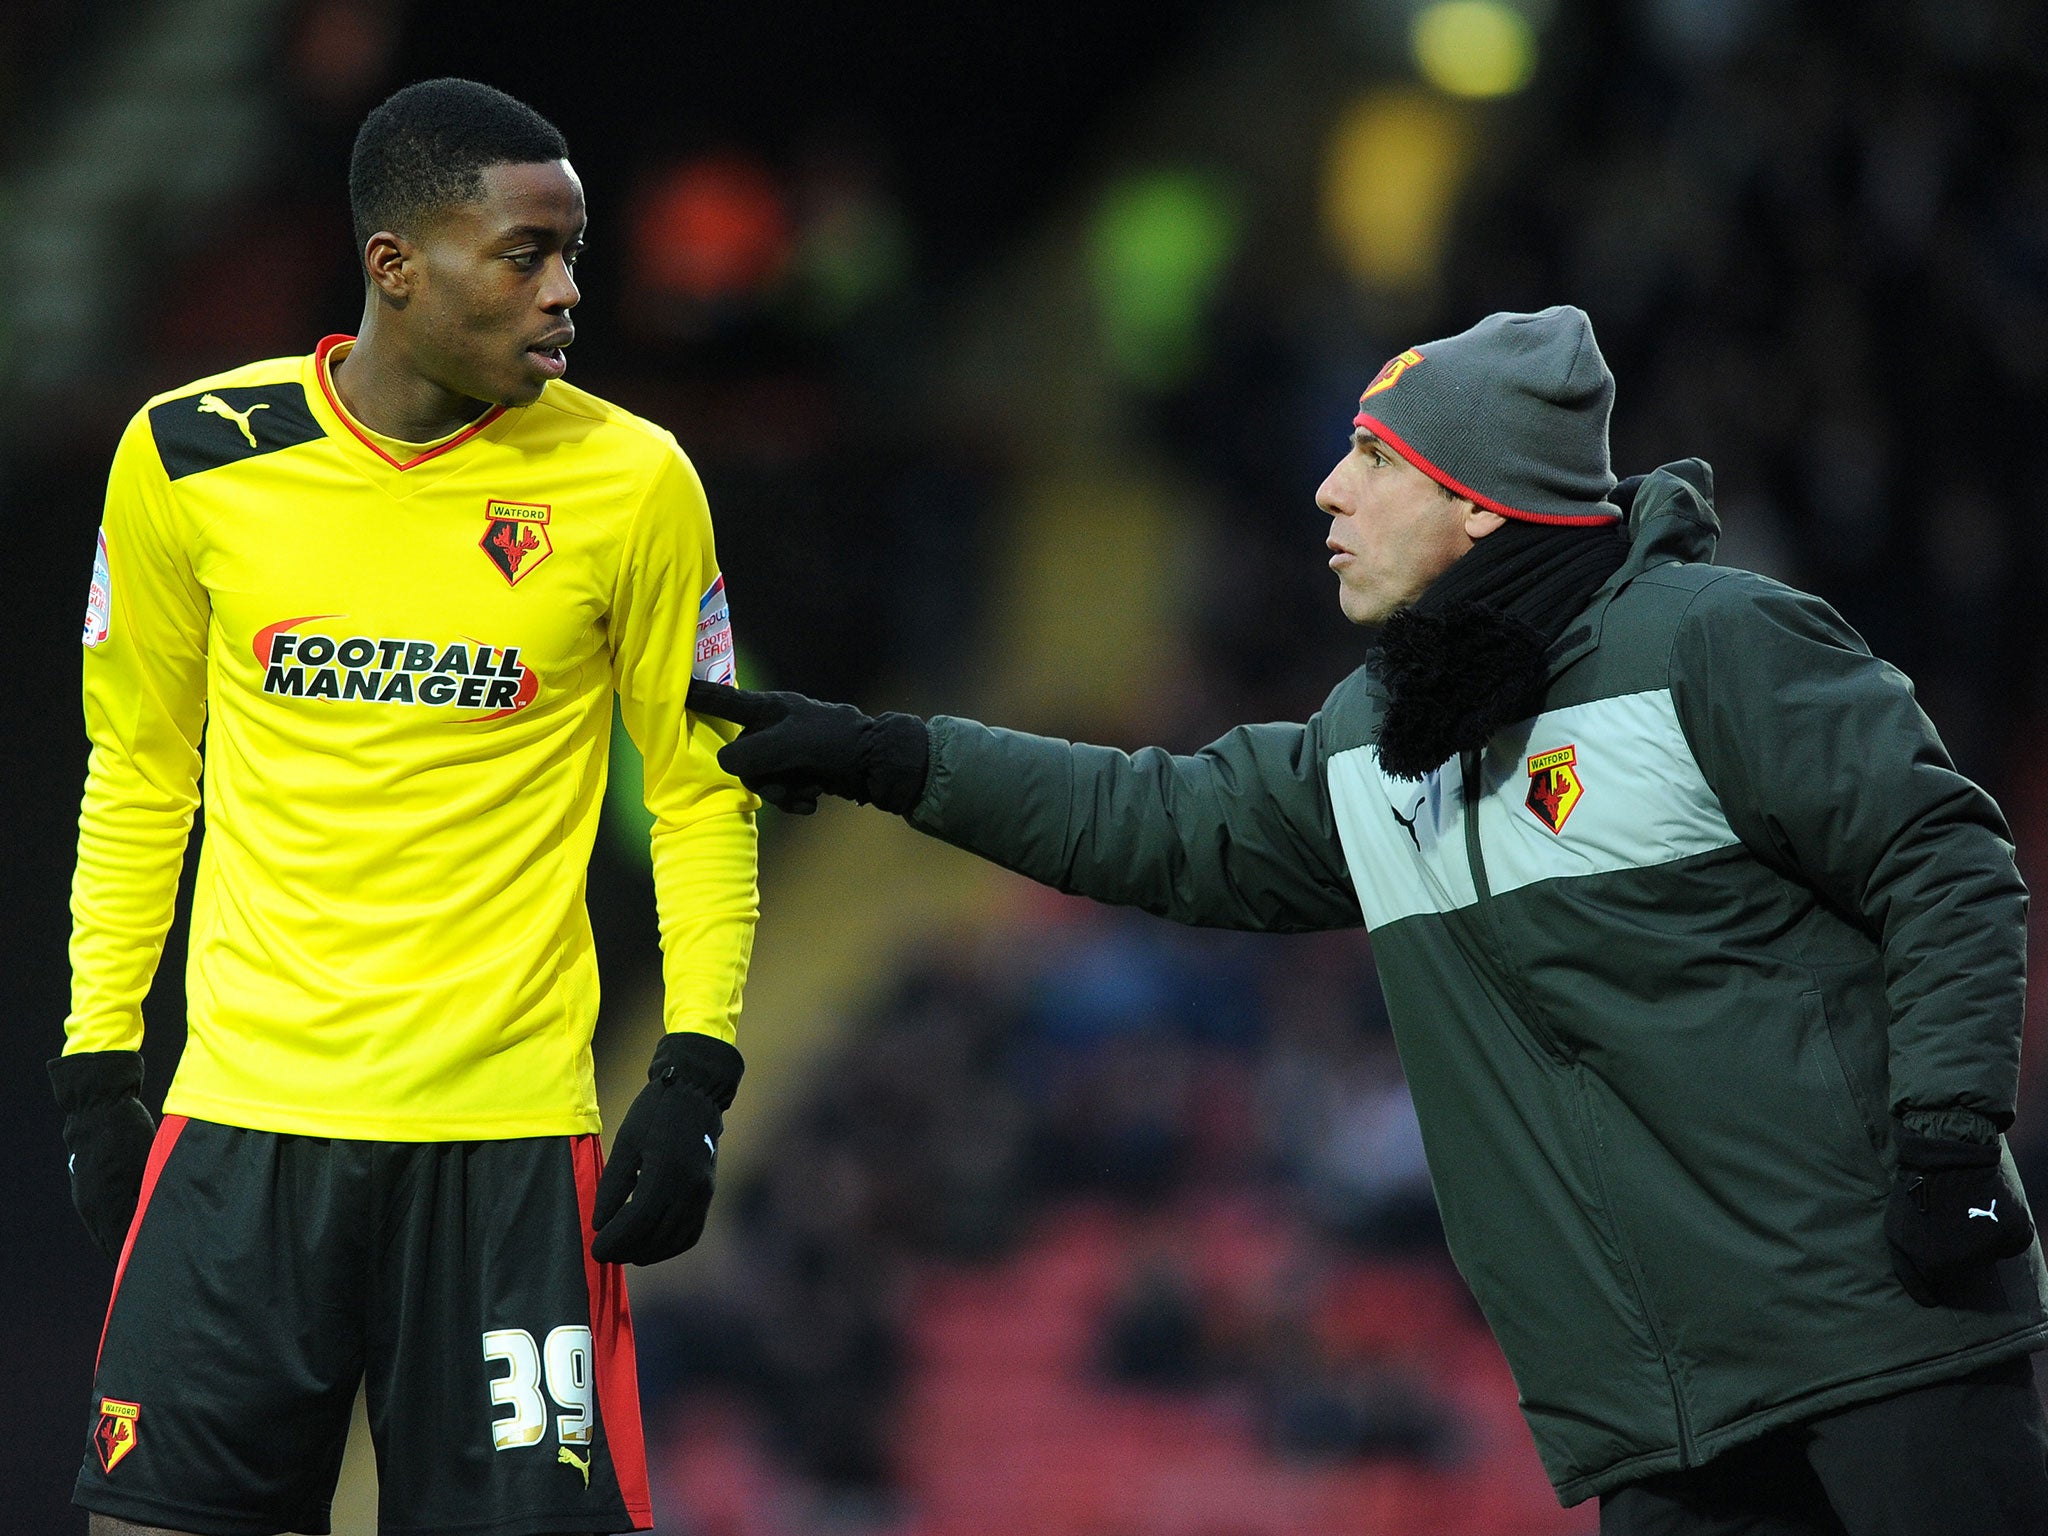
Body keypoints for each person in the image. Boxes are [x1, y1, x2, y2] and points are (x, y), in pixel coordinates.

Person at [689, 306, 2048, 1534]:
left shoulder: (1713, 645)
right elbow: (1155, 819)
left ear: (1477, 503)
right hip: (1668, 1416)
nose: (1329, 489)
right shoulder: (1381, 741)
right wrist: (893, 760)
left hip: (1883, 1345)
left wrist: (1945, 1140)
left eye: (1373, 460)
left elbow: (1943, 856)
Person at [54, 79, 757, 1536]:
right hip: (247, 1130)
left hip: (505, 1150)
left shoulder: (634, 482)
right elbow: (136, 771)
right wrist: (96, 1064)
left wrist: (694, 1072)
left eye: (574, 254)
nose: (567, 292)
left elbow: (697, 793)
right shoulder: (191, 457)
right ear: (395, 265)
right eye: (524, 256)